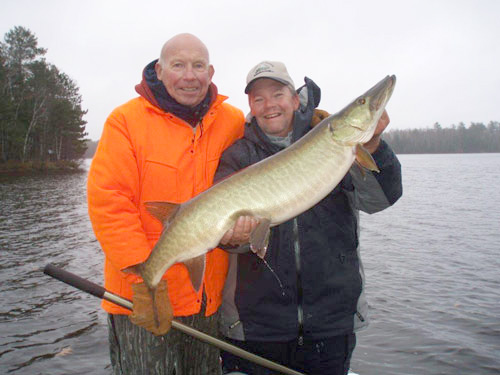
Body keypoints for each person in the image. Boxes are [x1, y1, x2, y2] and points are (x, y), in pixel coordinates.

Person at [216, 61, 403, 375]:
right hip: (258, 327)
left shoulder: (335, 141)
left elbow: (380, 199)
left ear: (295, 99)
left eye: (277, 94)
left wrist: (372, 144)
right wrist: (233, 238)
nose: (269, 105)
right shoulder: (237, 156)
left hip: (330, 324)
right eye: (258, 99)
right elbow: (227, 239)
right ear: (250, 106)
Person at [87, 33, 245, 374]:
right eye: (178, 65)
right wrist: (143, 279)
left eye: (198, 65)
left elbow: (270, 153)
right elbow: (109, 203)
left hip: (205, 300)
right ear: (159, 70)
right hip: (142, 300)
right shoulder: (126, 121)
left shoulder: (232, 121)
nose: (190, 75)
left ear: (211, 71)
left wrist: (310, 123)